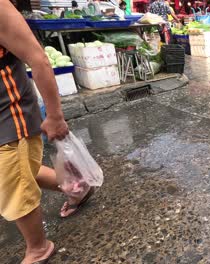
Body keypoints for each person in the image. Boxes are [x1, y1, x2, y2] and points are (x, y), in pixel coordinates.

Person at [0, 1, 94, 263]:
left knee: (13, 185)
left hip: (9, 115)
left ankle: (38, 248)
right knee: (21, 170)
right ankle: (78, 188)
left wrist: (54, 116)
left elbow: (38, 59)